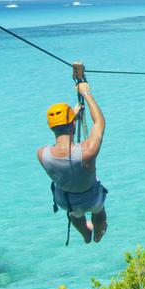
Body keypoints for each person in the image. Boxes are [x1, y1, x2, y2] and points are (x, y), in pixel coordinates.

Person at [37, 80, 108, 243]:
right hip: (90, 198)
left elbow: (60, 149)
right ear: (73, 123)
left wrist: (70, 120)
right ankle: (97, 235)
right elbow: (100, 123)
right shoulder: (87, 152)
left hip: (65, 200)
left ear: (50, 127)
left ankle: (86, 235)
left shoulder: (42, 154)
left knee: (75, 213)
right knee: (99, 212)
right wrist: (86, 93)